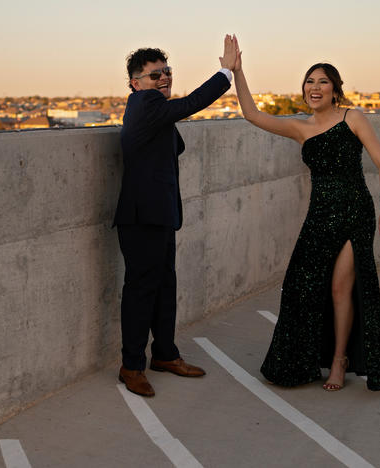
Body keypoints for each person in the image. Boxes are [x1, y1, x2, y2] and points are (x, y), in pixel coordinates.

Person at [231, 36, 380, 391]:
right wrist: (237, 70)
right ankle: (302, 360)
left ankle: (339, 361)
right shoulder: (300, 127)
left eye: (323, 81)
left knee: (340, 288)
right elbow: (252, 114)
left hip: (355, 212)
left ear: (335, 89)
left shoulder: (353, 118)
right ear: (304, 90)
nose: (315, 87)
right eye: (310, 81)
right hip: (319, 216)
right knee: (299, 286)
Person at [113, 37, 238, 397]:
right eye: (155, 75)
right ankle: (131, 365)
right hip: (141, 218)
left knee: (165, 287)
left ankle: (165, 354)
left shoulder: (153, 112)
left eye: (167, 72)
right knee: (141, 291)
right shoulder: (145, 102)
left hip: (160, 213)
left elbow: (170, 144)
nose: (164, 78)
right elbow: (193, 102)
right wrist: (226, 71)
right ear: (135, 83)